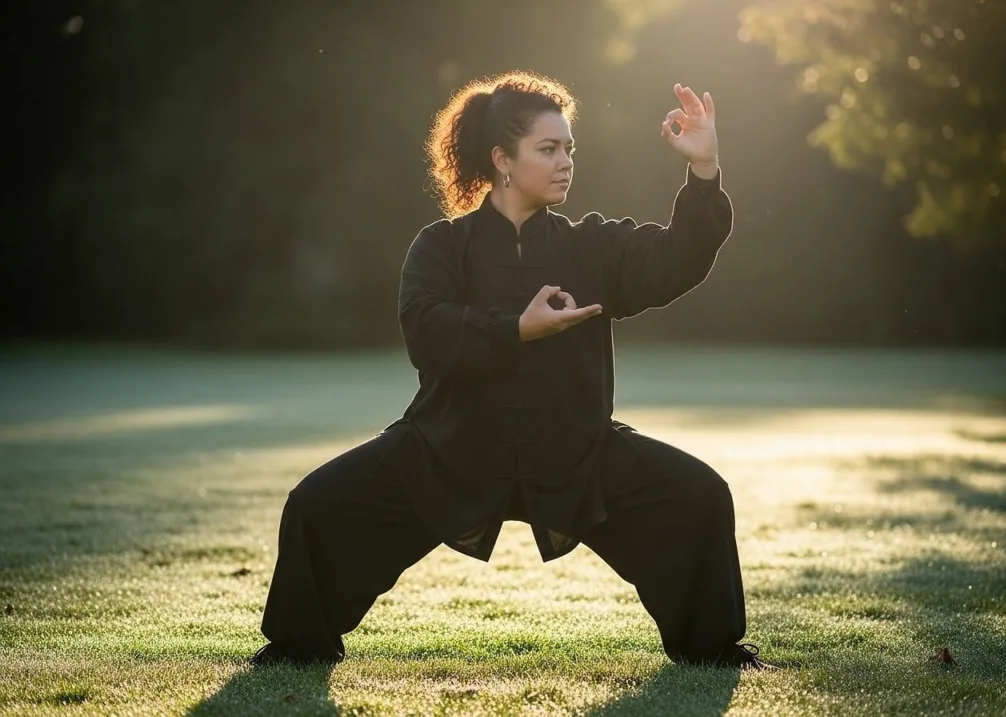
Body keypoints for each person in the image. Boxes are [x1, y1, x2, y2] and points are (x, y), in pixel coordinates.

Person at [250, 70, 775, 671]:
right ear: (502, 158)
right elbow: (427, 333)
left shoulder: (592, 247)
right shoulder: (441, 247)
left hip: (574, 454)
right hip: (449, 451)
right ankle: (297, 647)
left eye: (569, 149)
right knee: (317, 503)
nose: (564, 162)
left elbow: (678, 258)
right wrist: (514, 330)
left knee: (698, 495)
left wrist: (703, 171)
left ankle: (712, 649)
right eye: (547, 150)